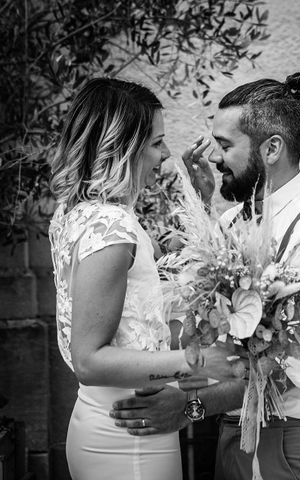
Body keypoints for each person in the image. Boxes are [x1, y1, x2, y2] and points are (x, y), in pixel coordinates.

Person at [111, 72, 300, 479]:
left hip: (295, 446)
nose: (214, 158)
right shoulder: (233, 220)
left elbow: (290, 368)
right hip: (233, 436)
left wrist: (189, 406)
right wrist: (201, 204)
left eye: (226, 146)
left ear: (271, 149)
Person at [48, 77, 241, 480]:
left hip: (115, 420)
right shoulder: (112, 227)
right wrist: (200, 363)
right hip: (129, 437)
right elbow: (89, 360)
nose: (167, 154)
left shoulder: (77, 213)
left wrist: (200, 202)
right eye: (157, 142)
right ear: (123, 147)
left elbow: (144, 319)